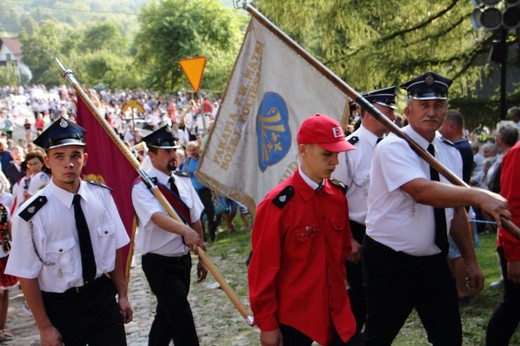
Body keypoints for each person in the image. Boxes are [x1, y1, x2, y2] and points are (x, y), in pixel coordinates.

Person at [362, 72, 510, 346]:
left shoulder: (450, 152)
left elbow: (457, 212)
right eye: (424, 105)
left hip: (434, 263)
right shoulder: (393, 147)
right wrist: (479, 195)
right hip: (391, 261)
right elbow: (421, 191)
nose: (432, 112)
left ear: (446, 110)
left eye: (438, 105)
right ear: (408, 111)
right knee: (378, 338)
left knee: (449, 338)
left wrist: (471, 260)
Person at [5, 117, 133, 345]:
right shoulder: (33, 214)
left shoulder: (101, 196)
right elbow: (27, 274)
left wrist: (122, 295)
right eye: (59, 156)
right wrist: (44, 327)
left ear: (84, 158)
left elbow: (112, 249)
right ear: (47, 161)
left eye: (75, 155)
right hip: (62, 307)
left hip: (101, 297)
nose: (68, 164)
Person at [248, 113, 362, 346]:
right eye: (327, 154)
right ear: (303, 151)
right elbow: (262, 271)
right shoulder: (278, 205)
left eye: (337, 154)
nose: (335, 162)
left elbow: (340, 254)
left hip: (336, 310)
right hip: (295, 317)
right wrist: (268, 324)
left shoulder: (337, 196)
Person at [131, 125, 207, 346]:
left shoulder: (182, 181)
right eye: (166, 152)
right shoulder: (142, 187)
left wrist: (202, 254)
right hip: (158, 262)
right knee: (181, 313)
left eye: (174, 150)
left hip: (182, 260)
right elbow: (155, 216)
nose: (173, 155)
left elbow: (194, 217)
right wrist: (183, 231)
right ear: (151, 155)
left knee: (166, 316)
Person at [332, 86, 397, 332]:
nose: (392, 117)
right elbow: (336, 197)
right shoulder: (350, 148)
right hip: (359, 232)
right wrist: (346, 239)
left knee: (384, 296)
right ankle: (346, 336)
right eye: (387, 111)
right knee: (362, 295)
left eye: (392, 111)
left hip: (387, 232)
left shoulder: (394, 146)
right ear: (369, 112)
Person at [438, 109, 477, 302]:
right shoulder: (461, 146)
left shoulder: (459, 148)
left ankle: (460, 291)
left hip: (457, 206)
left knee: (456, 252)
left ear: (450, 126)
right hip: (455, 203)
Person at [486, 138, 520, 346]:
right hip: (516, 244)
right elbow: (509, 208)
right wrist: (515, 256)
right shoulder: (517, 153)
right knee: (514, 306)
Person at [182, 141, 218, 241]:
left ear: (199, 149)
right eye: (190, 150)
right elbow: (183, 174)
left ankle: (212, 233)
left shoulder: (204, 159)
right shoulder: (187, 162)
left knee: (211, 213)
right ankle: (203, 237)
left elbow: (212, 172)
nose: (193, 152)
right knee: (198, 215)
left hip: (206, 190)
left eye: (194, 149)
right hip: (194, 192)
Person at [0, 203, 17, 342]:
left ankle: (2, 327)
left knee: (5, 292)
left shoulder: (3, 209)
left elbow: (11, 233)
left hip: (3, 254)